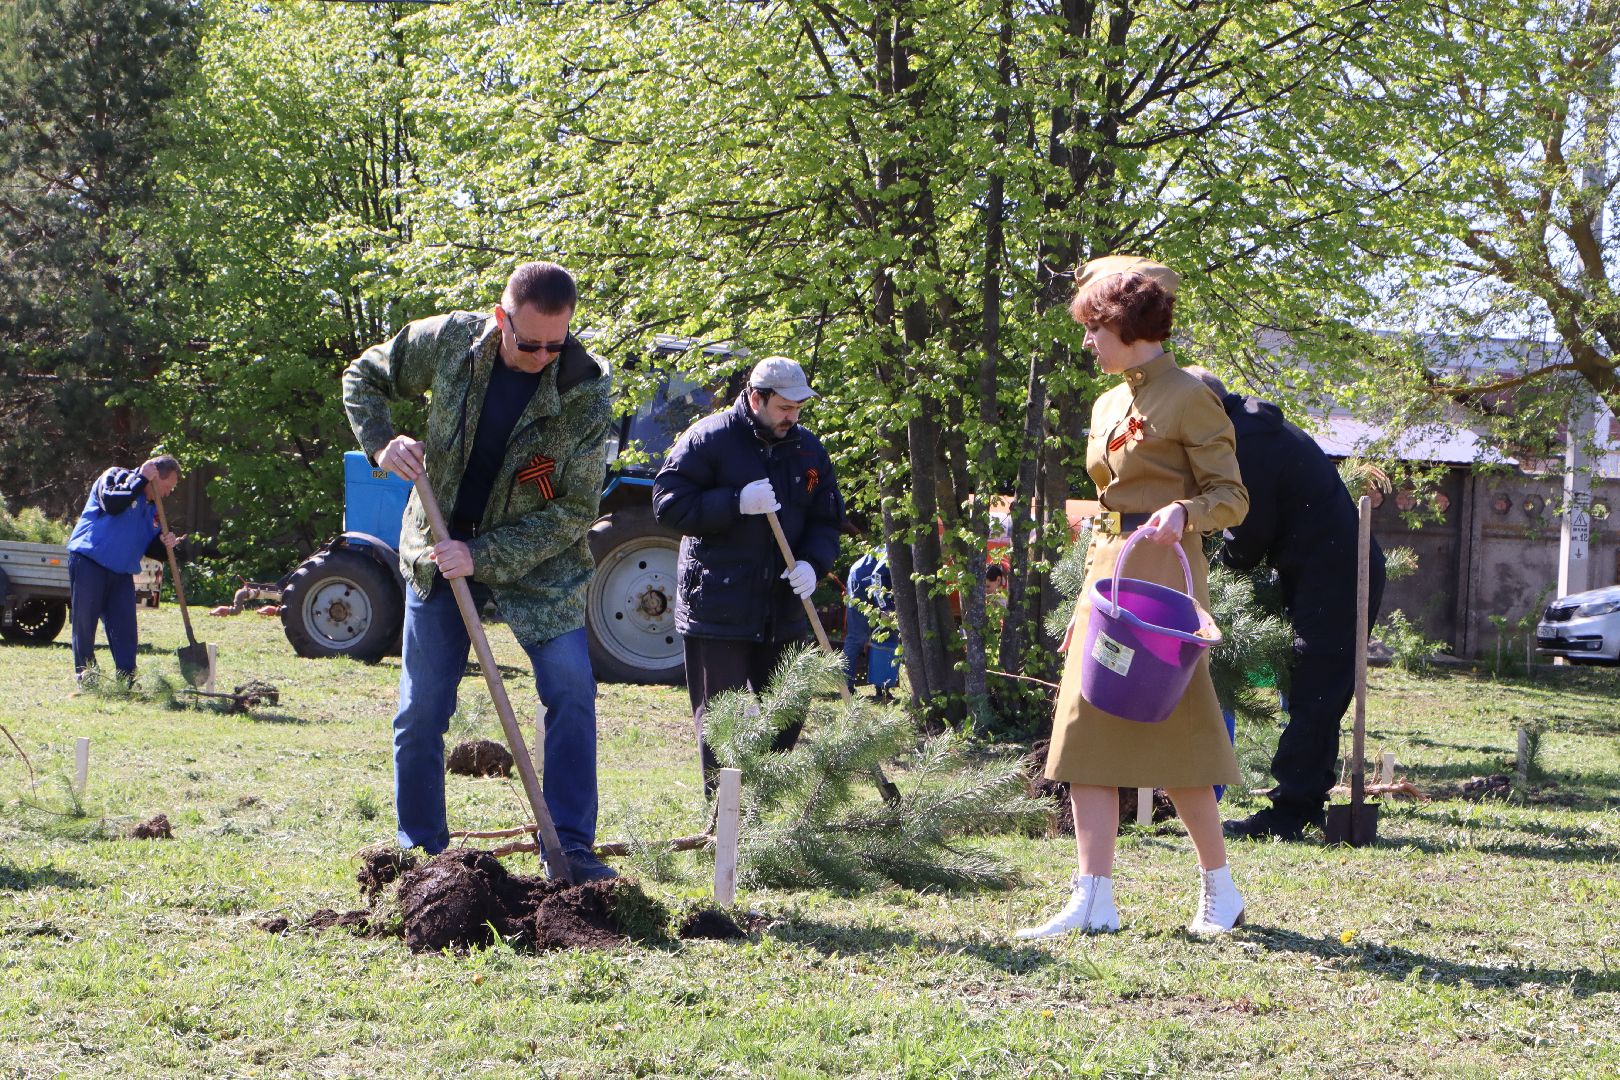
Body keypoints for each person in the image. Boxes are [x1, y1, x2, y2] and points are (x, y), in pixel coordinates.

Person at [342, 261, 616, 881]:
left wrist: (485, 555)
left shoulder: (585, 388)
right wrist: (382, 442)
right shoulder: (450, 343)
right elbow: (364, 375)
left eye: (556, 345)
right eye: (530, 343)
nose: (543, 357)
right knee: (421, 710)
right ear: (501, 319)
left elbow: (574, 510)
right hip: (437, 547)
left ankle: (571, 849)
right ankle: (423, 857)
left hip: (539, 565)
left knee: (572, 693)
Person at [1019, 255, 1250, 940]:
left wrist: (1186, 511)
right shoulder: (1107, 401)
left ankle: (1221, 890)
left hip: (1163, 585)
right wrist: (1083, 602)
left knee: (1178, 742)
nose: (1088, 341)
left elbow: (1231, 498)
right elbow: (1107, 506)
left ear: (1126, 324)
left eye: (1095, 328)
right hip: (1108, 577)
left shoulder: (1190, 396)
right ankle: (1093, 899)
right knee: (1083, 734)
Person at [1185, 368, 1387, 841]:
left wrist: (1214, 559)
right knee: (1313, 691)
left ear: (1204, 409)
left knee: (1315, 692)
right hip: (1323, 568)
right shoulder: (1247, 427)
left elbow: (1248, 535)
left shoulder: (1250, 443)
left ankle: (1292, 811)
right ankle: (1302, 802)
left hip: (1339, 573)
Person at [652, 356, 845, 790]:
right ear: (757, 398)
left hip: (784, 609)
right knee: (725, 724)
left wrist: (813, 564)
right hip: (718, 606)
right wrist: (734, 501)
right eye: (784, 408)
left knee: (786, 716)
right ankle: (723, 820)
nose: (792, 417)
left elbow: (826, 520)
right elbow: (668, 504)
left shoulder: (808, 450)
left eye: (798, 409)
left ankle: (764, 814)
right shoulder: (708, 439)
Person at [66, 455, 183, 683]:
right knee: (85, 623)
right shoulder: (115, 476)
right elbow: (112, 504)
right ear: (154, 476)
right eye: (167, 487)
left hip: (122, 572)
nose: (168, 493)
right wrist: (141, 479)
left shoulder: (154, 510)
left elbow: (151, 549)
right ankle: (87, 677)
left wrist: (165, 544)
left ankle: (127, 679)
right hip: (89, 561)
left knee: (125, 628)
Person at [842, 548, 896, 698]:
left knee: (888, 635)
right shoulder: (902, 546)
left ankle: (883, 686)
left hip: (882, 586)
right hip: (860, 580)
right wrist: (885, 607)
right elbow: (877, 575)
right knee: (858, 635)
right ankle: (845, 686)